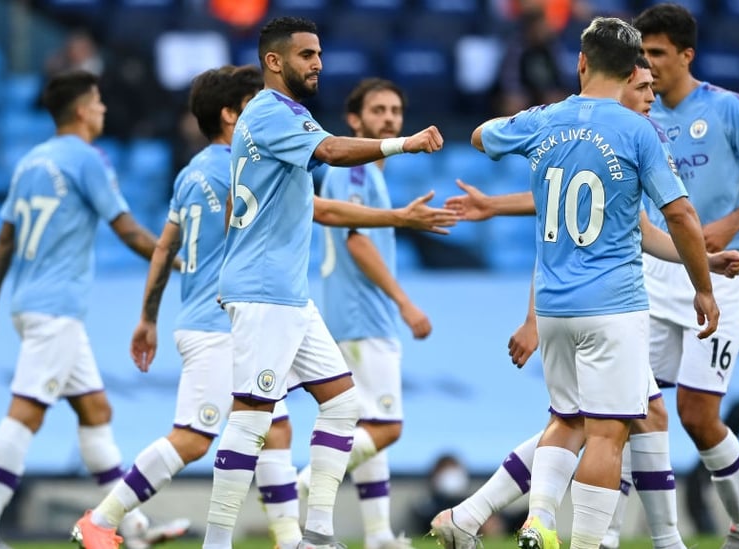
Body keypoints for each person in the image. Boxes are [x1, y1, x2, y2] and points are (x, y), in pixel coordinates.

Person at [72, 65, 459, 549]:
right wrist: (398, 213)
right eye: (252, 102)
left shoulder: (195, 171)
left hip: (225, 307)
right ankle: (106, 520)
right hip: (233, 315)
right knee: (206, 432)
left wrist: (149, 316)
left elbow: (163, 246)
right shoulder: (240, 161)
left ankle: (296, 537)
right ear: (232, 114)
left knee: (283, 426)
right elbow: (326, 208)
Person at [433, 55, 739, 549]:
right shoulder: (633, 136)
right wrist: (702, 283)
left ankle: (485, 517)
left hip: (566, 304)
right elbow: (676, 216)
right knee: (608, 428)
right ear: (619, 83)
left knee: (579, 419)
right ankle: (637, 539)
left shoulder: (567, 131)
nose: (651, 97)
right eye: (642, 86)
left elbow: (631, 228)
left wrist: (701, 263)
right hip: (613, 307)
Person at [205, 16, 449, 549]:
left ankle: (316, 533)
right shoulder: (273, 112)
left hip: (290, 294)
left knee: (342, 404)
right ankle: (216, 543)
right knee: (252, 418)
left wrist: (398, 219)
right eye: (306, 55)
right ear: (274, 61)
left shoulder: (279, 119)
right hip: (266, 292)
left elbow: (317, 208)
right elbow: (335, 152)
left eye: (319, 54)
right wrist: (402, 144)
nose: (318, 63)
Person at [0, 70, 185, 549]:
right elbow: (125, 228)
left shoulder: (29, 163)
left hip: (29, 302)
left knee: (95, 409)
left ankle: (132, 529)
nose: (104, 110)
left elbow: (4, 241)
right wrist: (175, 258)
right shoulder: (87, 160)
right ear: (83, 110)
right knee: (27, 412)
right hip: (56, 307)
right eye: (99, 102)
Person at [633, 4, 739, 548]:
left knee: (697, 416)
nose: (649, 64)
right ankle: (643, 537)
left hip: (723, 275)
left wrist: (731, 222)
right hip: (658, 274)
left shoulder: (728, 109)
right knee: (627, 406)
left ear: (686, 55)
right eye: (642, 54)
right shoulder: (638, 113)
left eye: (657, 53)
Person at [298, 78, 433, 549]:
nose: (390, 118)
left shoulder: (370, 174)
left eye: (395, 110)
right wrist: (405, 302)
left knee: (366, 425)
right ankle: (300, 485)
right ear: (354, 121)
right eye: (377, 110)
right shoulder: (354, 174)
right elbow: (356, 239)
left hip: (351, 315)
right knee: (387, 427)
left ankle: (377, 535)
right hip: (362, 315)